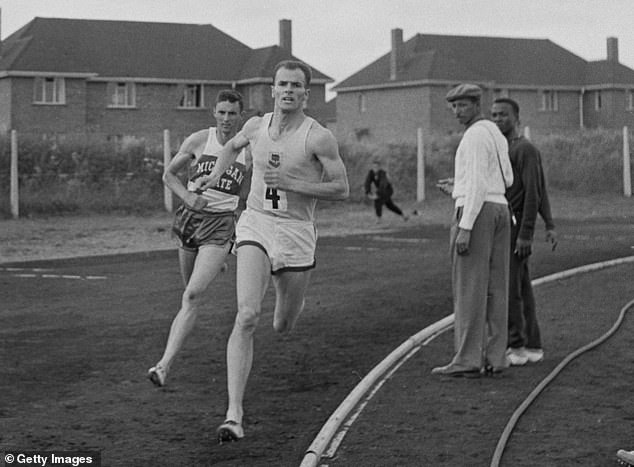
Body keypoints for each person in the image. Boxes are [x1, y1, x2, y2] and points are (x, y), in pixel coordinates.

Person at [198, 60, 350, 442]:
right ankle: (234, 413)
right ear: (272, 90)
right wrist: (216, 176)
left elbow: (341, 188)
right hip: (257, 222)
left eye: (295, 86)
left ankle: (285, 311)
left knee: (283, 323)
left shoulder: (319, 138)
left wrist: (295, 183)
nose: (287, 91)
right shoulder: (253, 126)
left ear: (305, 93)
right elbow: (231, 148)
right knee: (247, 314)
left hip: (297, 232)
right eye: (281, 84)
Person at [147, 89, 250, 387]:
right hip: (190, 220)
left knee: (192, 295)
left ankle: (163, 365)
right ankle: (215, 262)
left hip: (219, 225)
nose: (227, 119)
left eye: (233, 113)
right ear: (214, 113)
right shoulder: (198, 140)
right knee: (187, 293)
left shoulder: (247, 149)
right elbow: (168, 176)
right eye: (222, 112)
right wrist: (187, 197)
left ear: (240, 116)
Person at [432, 83, 514, 378]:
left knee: (469, 287)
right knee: (496, 287)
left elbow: (479, 182)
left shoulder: (475, 135)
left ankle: (467, 359)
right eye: (454, 106)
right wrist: (459, 188)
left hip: (477, 213)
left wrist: (465, 225)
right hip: (500, 209)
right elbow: (506, 178)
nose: (457, 111)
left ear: (477, 104)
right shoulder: (494, 132)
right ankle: (495, 356)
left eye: (463, 105)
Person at [491, 98, 558, 366]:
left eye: (504, 115)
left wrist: (529, 232)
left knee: (510, 287)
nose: (498, 119)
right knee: (520, 285)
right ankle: (532, 344)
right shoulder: (499, 148)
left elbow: (535, 192)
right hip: (503, 222)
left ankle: (516, 345)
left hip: (517, 225)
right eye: (494, 115)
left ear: (517, 118)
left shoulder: (525, 149)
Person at [364, 158, 409, 222]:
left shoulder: (383, 173)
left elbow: (383, 184)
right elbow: (367, 182)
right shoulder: (371, 173)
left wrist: (377, 194)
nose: (375, 168)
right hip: (382, 191)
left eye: (377, 166)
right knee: (390, 205)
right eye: (374, 166)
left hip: (388, 190)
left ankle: (379, 219)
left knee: (377, 201)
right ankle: (404, 215)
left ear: (379, 167)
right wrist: (368, 192)